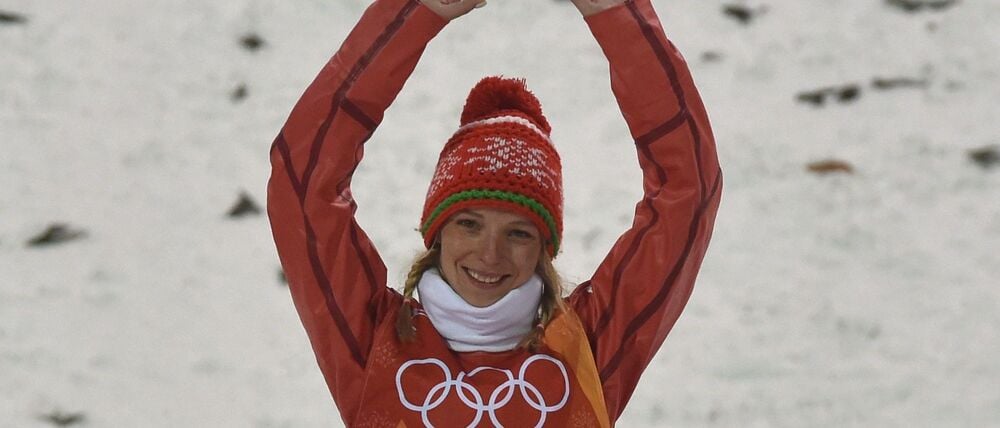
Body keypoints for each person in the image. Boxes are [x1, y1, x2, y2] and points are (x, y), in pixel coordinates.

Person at [267, 0, 722, 426]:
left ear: (543, 249)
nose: (490, 254)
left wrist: (616, 14)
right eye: (469, 224)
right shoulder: (376, 344)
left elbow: (688, 192)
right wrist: (414, 13)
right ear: (437, 232)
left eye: (519, 233)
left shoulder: (586, 348)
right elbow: (302, 182)